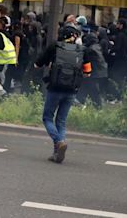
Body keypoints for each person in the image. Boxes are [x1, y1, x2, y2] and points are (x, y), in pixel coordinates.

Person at [35, 24, 91, 164]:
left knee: (47, 118)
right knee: (61, 121)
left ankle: (59, 142)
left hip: (55, 88)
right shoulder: (82, 50)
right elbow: (88, 72)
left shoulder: (55, 46)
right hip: (71, 90)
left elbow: (38, 63)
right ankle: (56, 153)